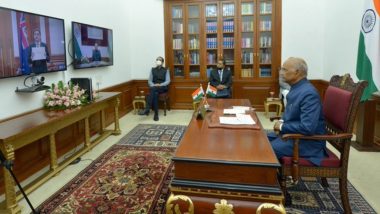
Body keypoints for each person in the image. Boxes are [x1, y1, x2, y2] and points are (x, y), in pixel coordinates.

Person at [267, 57, 326, 166]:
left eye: (285, 70)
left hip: (307, 142)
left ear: (297, 73)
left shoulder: (308, 93)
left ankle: (267, 180)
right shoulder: (297, 88)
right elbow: (292, 114)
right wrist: (281, 121)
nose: (281, 73)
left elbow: (307, 127)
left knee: (267, 150)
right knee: (261, 139)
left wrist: (281, 127)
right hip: (293, 134)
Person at [139, 56, 170, 121]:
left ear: (162, 62)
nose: (158, 61)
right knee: (155, 93)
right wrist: (153, 85)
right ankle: (156, 114)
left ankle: (147, 109)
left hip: (162, 87)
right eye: (157, 60)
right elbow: (149, 80)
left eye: (160, 60)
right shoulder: (152, 69)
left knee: (153, 90)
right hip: (154, 87)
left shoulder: (166, 70)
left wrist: (160, 84)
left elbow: (168, 81)